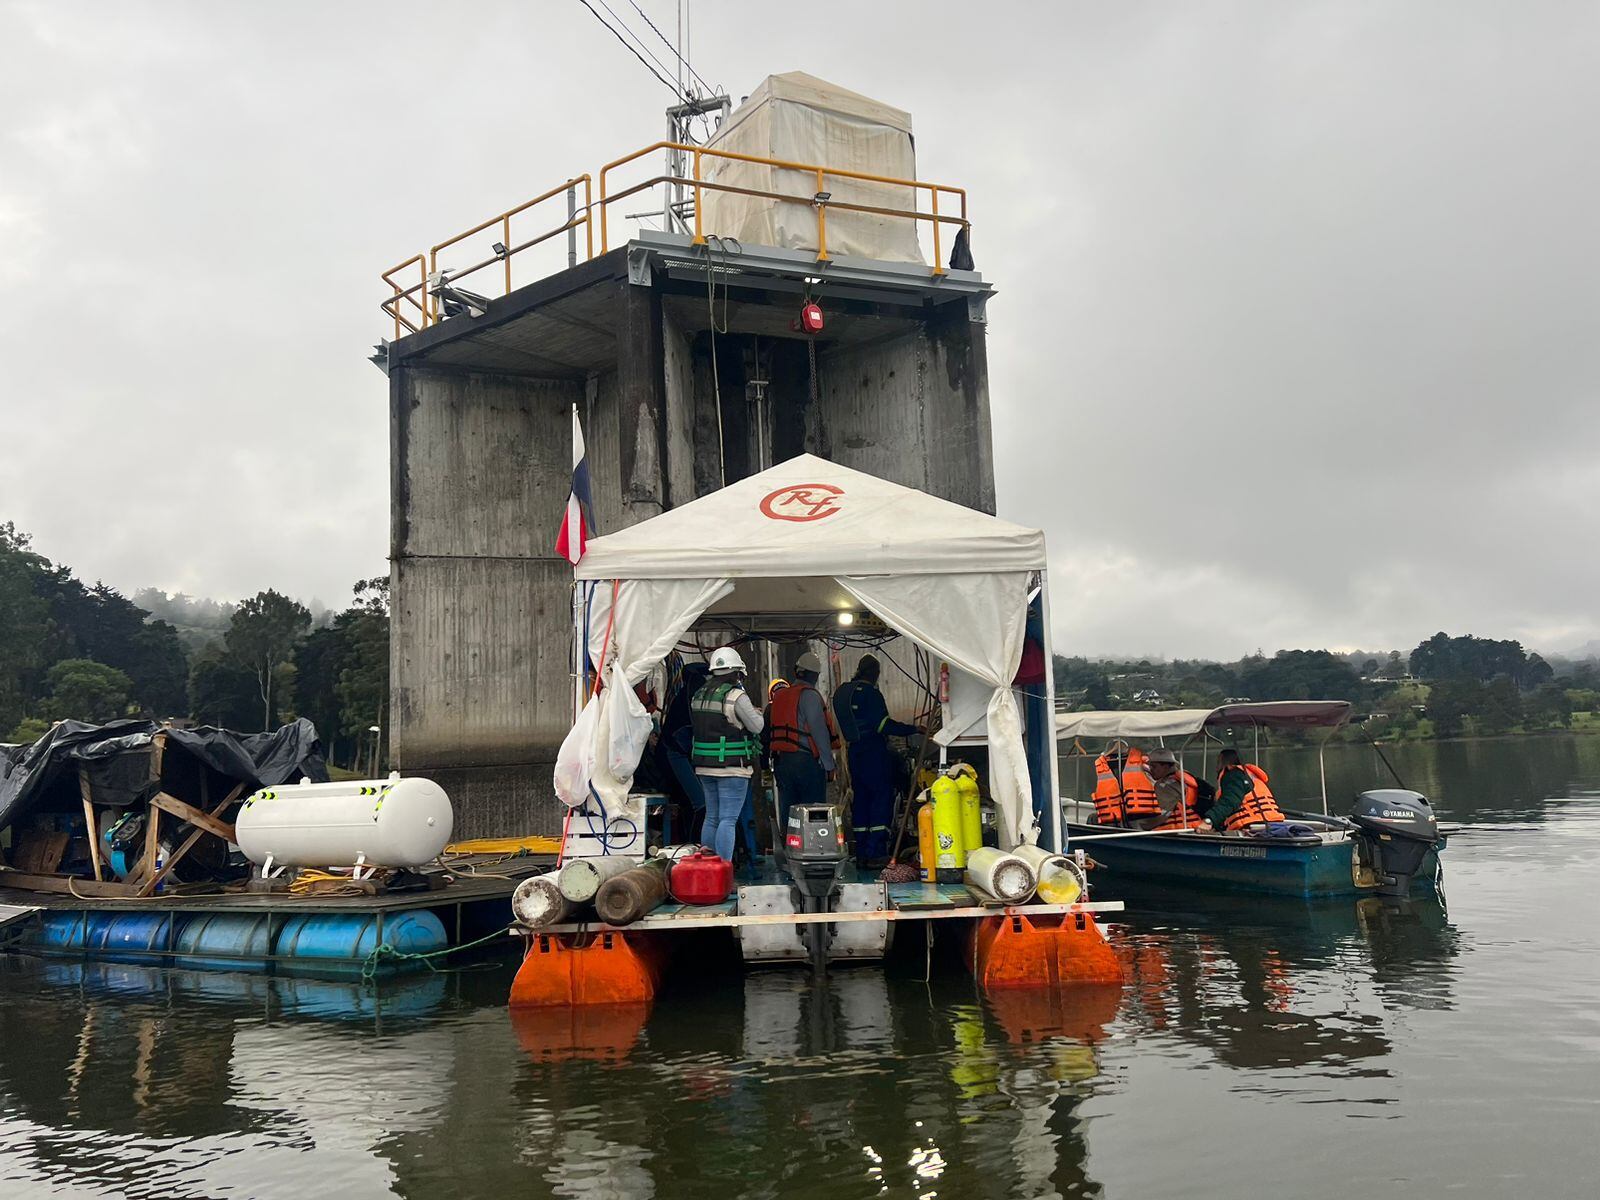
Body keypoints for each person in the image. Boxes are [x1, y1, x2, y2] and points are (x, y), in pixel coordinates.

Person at [832, 654, 921, 866]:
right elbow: (882, 725)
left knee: (861, 799)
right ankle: (877, 851)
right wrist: (913, 729)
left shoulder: (843, 693)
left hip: (854, 753)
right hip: (874, 752)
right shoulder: (871, 694)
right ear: (875, 673)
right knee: (881, 799)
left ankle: (862, 850)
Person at [689, 647, 764, 862]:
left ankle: (707, 871)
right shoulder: (735, 695)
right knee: (728, 819)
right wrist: (757, 713)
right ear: (736, 672)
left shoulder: (699, 694)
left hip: (704, 767)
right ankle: (722, 871)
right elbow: (757, 727)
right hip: (732, 767)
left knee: (712, 817)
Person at [766, 651, 839, 839]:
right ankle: (815, 847)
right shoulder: (810, 696)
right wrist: (829, 764)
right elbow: (819, 732)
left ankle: (789, 848)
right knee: (813, 811)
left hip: (782, 762)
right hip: (806, 762)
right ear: (814, 675)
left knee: (789, 811)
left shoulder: (780, 697)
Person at [1199, 748, 1285, 832]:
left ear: (1223, 762)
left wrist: (1209, 821)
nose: (1216, 768)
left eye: (1218, 762)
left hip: (1254, 824)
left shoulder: (1234, 776)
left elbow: (1230, 802)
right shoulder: (1247, 775)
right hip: (1273, 821)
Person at [1090, 745, 1160, 827]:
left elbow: (1157, 783)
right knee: (1092, 818)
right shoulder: (1106, 768)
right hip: (1118, 817)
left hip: (1141, 815)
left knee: (1093, 818)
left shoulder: (1143, 766)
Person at [1146, 748, 1215, 831]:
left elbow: (1163, 814)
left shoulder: (1164, 785)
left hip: (1179, 830)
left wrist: (1143, 826)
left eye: (1154, 766)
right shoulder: (1184, 778)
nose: (1151, 769)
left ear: (1166, 766)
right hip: (1197, 826)